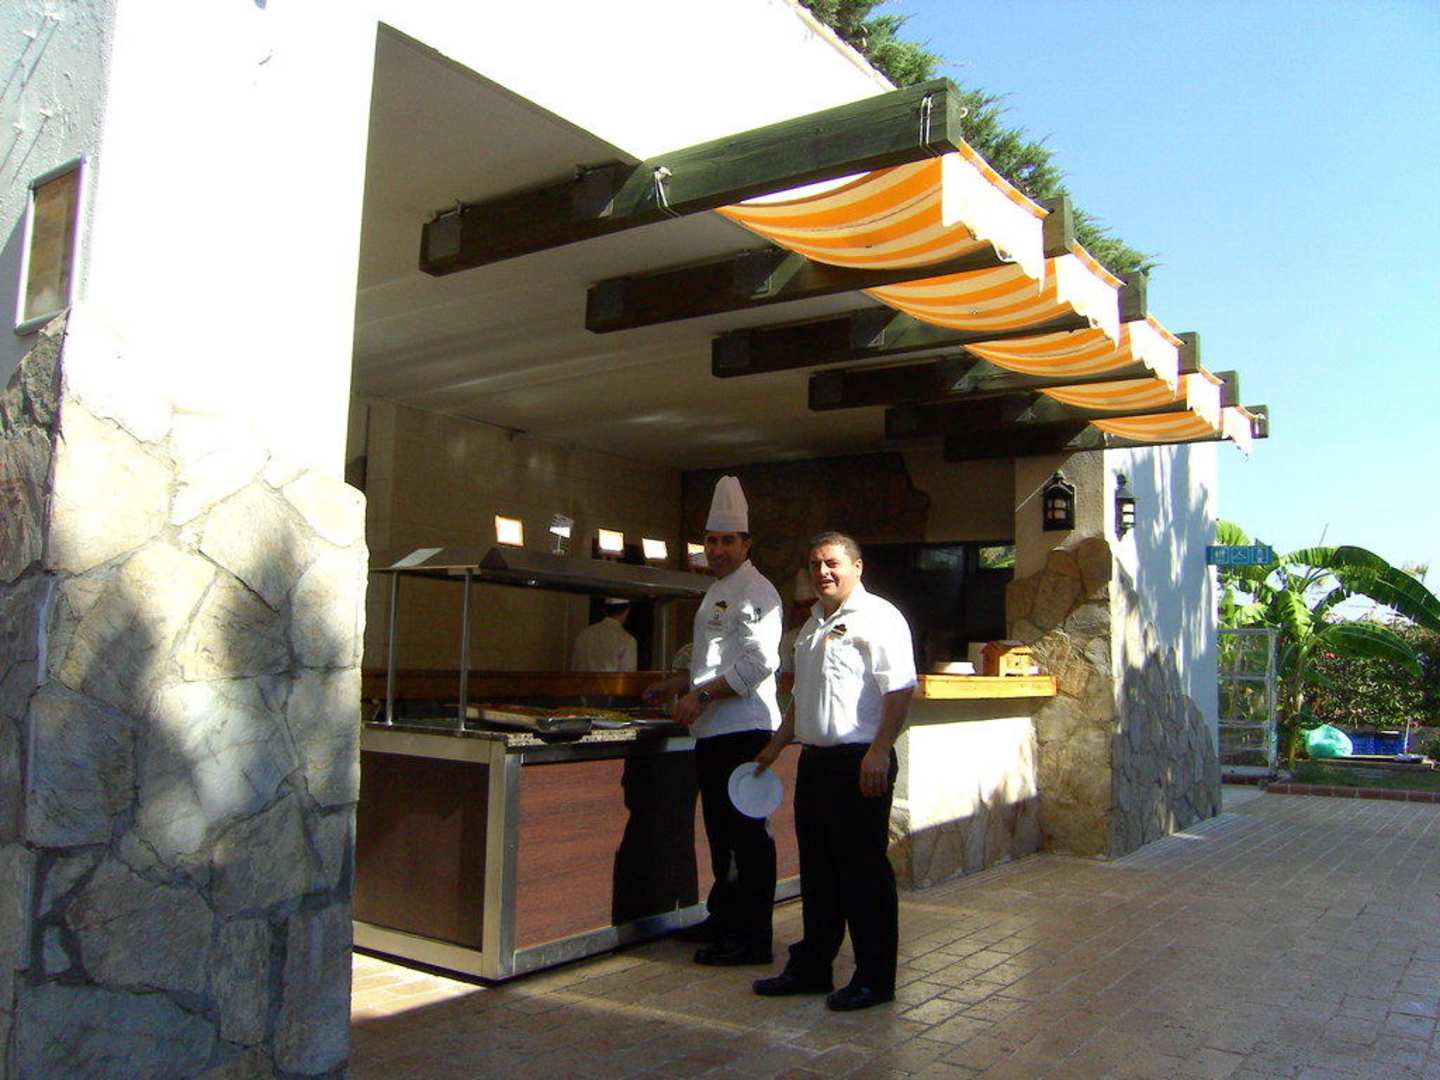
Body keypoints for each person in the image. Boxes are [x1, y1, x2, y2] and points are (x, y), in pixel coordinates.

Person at [751, 531, 916, 1011]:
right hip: (816, 763)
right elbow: (801, 697)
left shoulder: (880, 617)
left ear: (857, 567)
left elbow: (900, 689)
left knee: (863, 874)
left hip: (861, 762)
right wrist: (775, 746)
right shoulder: (811, 627)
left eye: (832, 563)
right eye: (815, 564)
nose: (823, 571)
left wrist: (880, 751)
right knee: (818, 872)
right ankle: (812, 967)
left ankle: (874, 979)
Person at [642, 476, 783, 966]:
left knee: (748, 838)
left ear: (746, 543)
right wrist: (677, 682)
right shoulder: (717, 590)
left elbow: (758, 663)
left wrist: (700, 695)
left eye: (727, 541)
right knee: (722, 836)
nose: (718, 550)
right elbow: (715, 658)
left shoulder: (758, 591)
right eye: (712, 541)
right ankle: (725, 918)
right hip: (715, 733)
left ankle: (753, 939)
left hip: (744, 730)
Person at [570, 597, 637, 672]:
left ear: (604, 610)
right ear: (627, 611)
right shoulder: (627, 640)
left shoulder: (584, 634)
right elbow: (627, 675)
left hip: (582, 680)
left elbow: (574, 668)